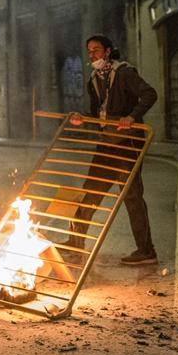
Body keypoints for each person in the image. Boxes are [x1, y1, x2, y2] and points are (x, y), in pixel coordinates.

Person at [71, 34, 159, 265]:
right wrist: (83, 118)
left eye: (97, 50)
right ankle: (74, 240)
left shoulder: (124, 72)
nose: (93, 55)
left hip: (127, 142)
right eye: (89, 51)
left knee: (131, 196)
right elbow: (97, 111)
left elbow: (150, 94)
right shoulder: (94, 79)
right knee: (91, 189)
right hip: (106, 141)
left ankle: (146, 250)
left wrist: (132, 116)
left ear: (108, 51)